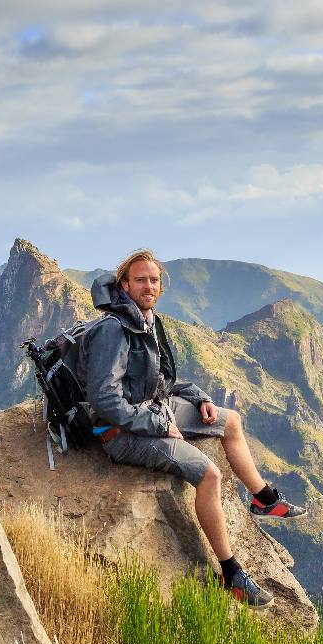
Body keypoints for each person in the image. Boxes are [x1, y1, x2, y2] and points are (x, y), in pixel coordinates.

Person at [84, 249, 307, 608]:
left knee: (229, 420)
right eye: (139, 279)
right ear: (124, 284)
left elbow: (162, 380)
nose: (148, 286)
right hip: (120, 431)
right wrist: (158, 424)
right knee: (210, 475)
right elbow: (104, 400)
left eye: (153, 280)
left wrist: (199, 397)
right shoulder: (114, 328)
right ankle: (231, 573)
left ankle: (263, 500)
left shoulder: (148, 320)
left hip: (153, 406)